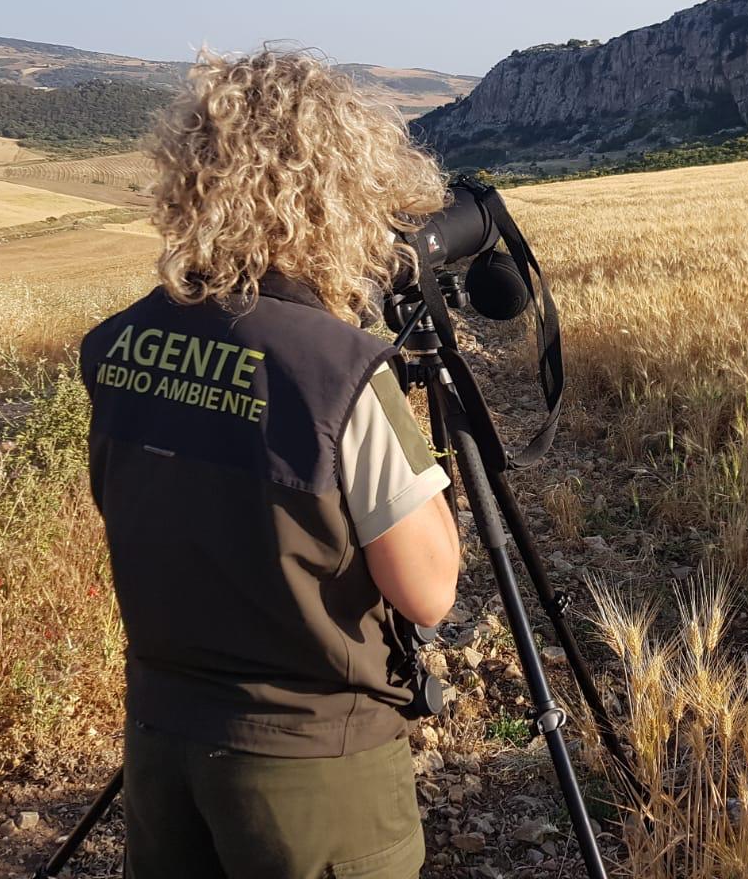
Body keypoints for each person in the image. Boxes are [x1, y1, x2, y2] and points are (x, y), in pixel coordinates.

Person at [79, 47, 462, 879]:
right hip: (310, 774)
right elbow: (428, 590)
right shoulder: (334, 369)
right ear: (338, 190)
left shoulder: (114, 345)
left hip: (161, 741)